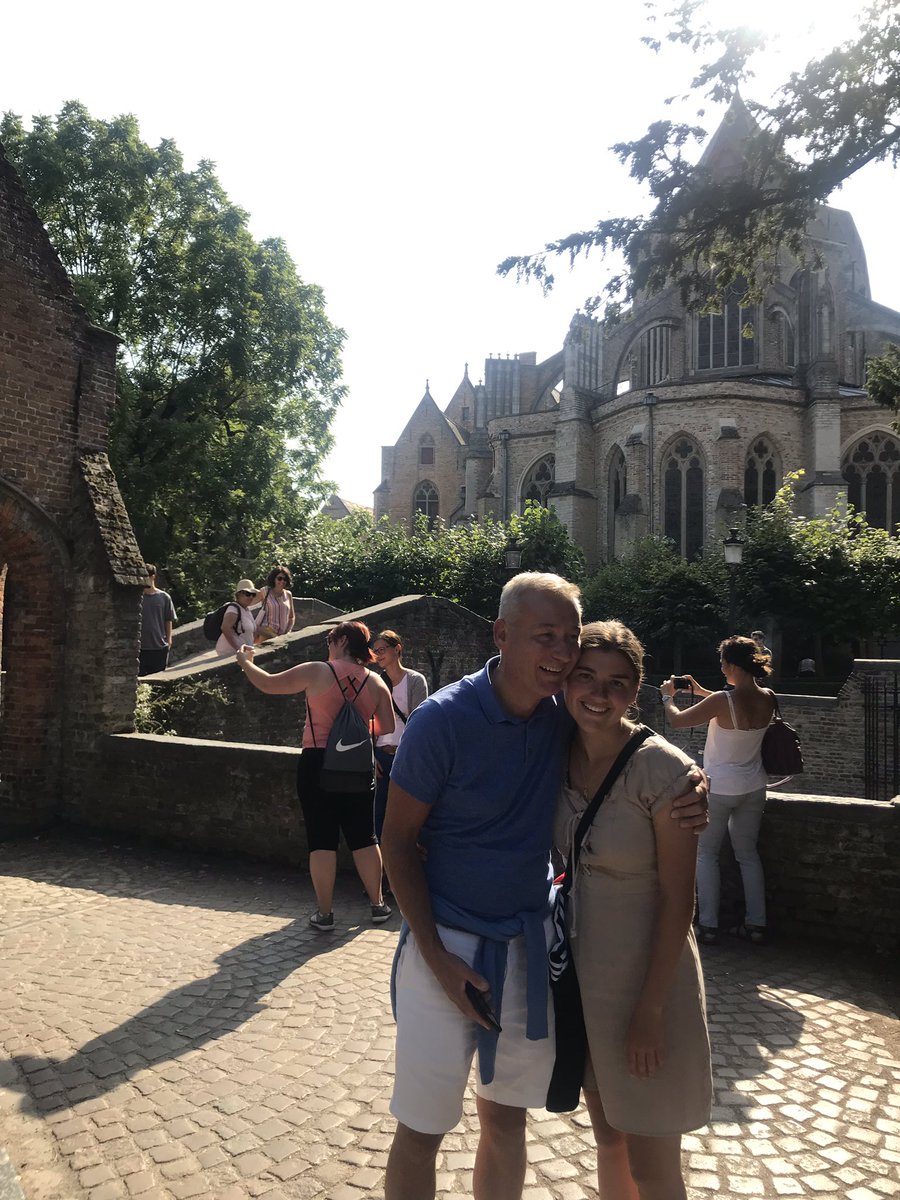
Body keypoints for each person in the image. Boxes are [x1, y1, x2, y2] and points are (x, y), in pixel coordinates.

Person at [380, 573, 708, 1200]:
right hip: (445, 944)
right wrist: (436, 957)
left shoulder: (563, 717)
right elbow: (396, 842)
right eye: (544, 638)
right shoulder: (441, 720)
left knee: (506, 1120)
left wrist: (691, 788)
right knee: (422, 1128)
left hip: (527, 948)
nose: (560, 655)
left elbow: (631, 749)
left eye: (568, 639)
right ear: (502, 634)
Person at [556, 621, 711, 1199]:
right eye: (586, 676)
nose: (599, 693)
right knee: (609, 1140)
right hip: (585, 981)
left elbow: (680, 899)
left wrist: (649, 1010)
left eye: (617, 683)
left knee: (652, 1163)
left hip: (649, 984)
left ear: (636, 689)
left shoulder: (664, 771)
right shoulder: (554, 749)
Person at [236, 620, 395, 930]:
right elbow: (387, 727)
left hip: (318, 761)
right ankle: (377, 905)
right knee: (364, 837)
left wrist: (245, 662)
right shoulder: (375, 681)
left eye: (331, 640)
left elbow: (268, 684)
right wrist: (355, 731)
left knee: (321, 839)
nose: (328, 645)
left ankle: (325, 913)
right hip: (358, 764)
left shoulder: (318, 671)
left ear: (341, 642)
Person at [661, 635, 776, 946]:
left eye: (724, 664)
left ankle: (708, 925)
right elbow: (734, 704)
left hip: (721, 787)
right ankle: (756, 924)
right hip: (754, 787)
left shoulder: (723, 701)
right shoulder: (768, 697)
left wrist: (666, 697)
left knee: (707, 855)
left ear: (734, 665)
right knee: (748, 855)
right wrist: (700, 691)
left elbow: (677, 722)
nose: (722, 668)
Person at [371, 630, 429, 842]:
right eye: (375, 651)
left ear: (397, 649)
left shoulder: (414, 680)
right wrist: (372, 755)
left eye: (382, 650)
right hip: (382, 755)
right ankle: (382, 866)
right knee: (379, 811)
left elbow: (419, 721)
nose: (378, 655)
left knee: (407, 811)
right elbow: (369, 720)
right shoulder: (376, 681)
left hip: (405, 754)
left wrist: (410, 756)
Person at [139, 564, 176, 676]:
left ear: (153, 577)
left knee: (157, 680)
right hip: (140, 647)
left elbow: (168, 620)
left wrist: (169, 641)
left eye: (147, 576)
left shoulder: (164, 597)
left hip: (159, 647)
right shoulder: (137, 598)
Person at [252, 566, 296, 642]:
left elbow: (291, 617)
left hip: (282, 635)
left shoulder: (288, 594)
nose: (282, 581)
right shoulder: (265, 591)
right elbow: (249, 602)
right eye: (279, 578)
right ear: (274, 579)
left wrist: (288, 632)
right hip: (267, 632)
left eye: (285, 579)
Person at [215, 580, 258, 657]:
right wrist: (239, 648)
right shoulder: (233, 609)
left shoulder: (245, 609)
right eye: (248, 594)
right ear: (239, 594)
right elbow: (225, 628)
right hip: (230, 653)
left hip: (242, 653)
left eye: (253, 594)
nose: (251, 597)